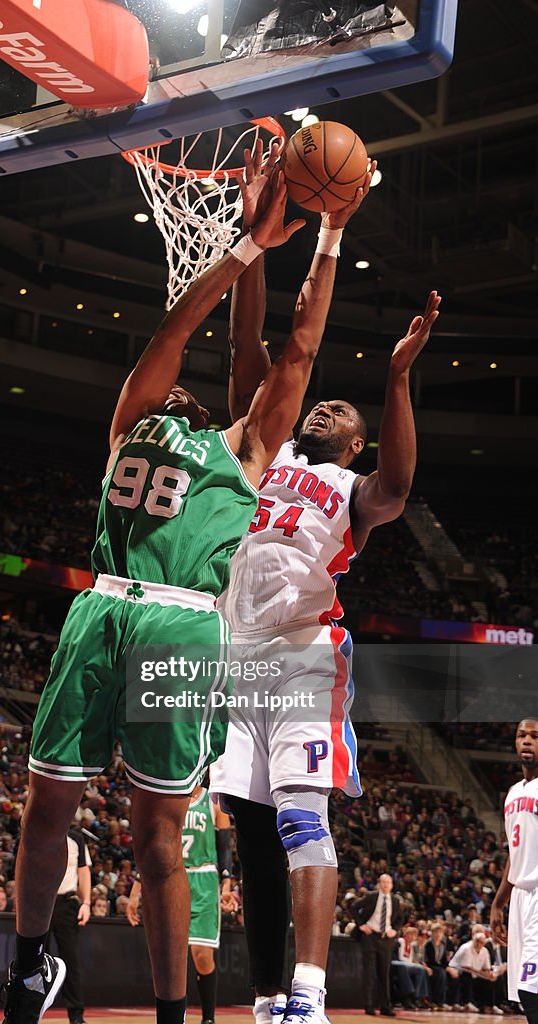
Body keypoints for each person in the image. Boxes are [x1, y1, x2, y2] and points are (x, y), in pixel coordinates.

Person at [1, 172, 344, 1024]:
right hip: (100, 605)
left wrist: (327, 234)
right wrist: (244, 248)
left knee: (158, 839)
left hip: (181, 623)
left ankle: (168, 1016)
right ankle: (25, 964)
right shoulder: (132, 416)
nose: (183, 389)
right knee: (46, 808)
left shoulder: (245, 447)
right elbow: (179, 326)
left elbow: (292, 349)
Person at [210, 139, 440, 1024]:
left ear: (355, 443)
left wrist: (394, 377)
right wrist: (255, 242)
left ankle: (306, 995)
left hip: (303, 655)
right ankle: (269, 993)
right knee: (253, 846)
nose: (327, 406)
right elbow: (247, 348)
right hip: (235, 664)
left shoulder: (351, 487)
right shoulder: (261, 453)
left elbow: (400, 488)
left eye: (346, 412)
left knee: (304, 823)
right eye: (328, 401)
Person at [126, 783, 237, 1024]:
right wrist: (136, 891)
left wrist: (227, 883)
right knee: (171, 953)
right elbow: (153, 846)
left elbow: (225, 845)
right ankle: (177, 1015)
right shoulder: (170, 799)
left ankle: (208, 1018)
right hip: (173, 875)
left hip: (204, 878)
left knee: (201, 954)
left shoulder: (212, 801)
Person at [491, 718, 538, 1024]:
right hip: (519, 896)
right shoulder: (512, 792)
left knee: (531, 986)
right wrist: (498, 902)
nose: (527, 740)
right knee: (523, 990)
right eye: (522, 735)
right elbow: (513, 853)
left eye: (535, 736)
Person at [48, 823, 92, 1024]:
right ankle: (27, 1013)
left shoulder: (76, 838)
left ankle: (76, 1016)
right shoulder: (38, 831)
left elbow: (83, 872)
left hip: (67, 903)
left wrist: (86, 903)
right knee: (34, 961)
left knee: (70, 962)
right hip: (41, 902)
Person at [350, 874, 404, 1017]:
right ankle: (369, 1006)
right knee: (369, 972)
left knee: (384, 974)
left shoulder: (395, 901)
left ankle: (386, 1007)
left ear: (392, 885)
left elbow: (400, 919)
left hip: (386, 939)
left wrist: (395, 930)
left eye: (389, 882)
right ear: (379, 884)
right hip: (370, 936)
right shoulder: (371, 896)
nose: (386, 885)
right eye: (383, 882)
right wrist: (361, 925)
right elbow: (354, 906)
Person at [447, 926, 497, 1013]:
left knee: (490, 980)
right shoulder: (467, 948)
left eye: (481, 942)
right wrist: (483, 974)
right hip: (459, 971)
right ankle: (467, 1003)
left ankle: (488, 1005)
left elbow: (487, 968)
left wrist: (489, 975)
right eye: (477, 941)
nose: (479, 944)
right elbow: (466, 968)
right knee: (467, 976)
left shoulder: (485, 951)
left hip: (475, 973)